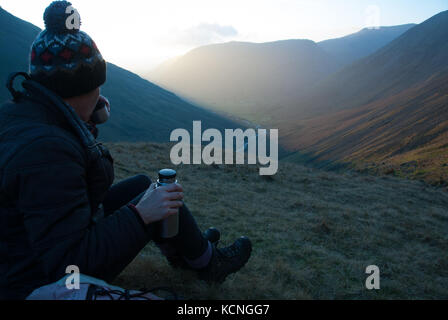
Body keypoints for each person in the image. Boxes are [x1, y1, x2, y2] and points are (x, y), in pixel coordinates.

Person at [0, 1, 252, 300]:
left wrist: (86, 118)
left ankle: (192, 253)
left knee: (146, 186)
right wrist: (140, 214)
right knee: (154, 197)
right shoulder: (47, 152)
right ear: (80, 88)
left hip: (25, 251)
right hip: (36, 280)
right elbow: (71, 264)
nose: (100, 95)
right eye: (95, 87)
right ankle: (207, 263)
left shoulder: (23, 115)